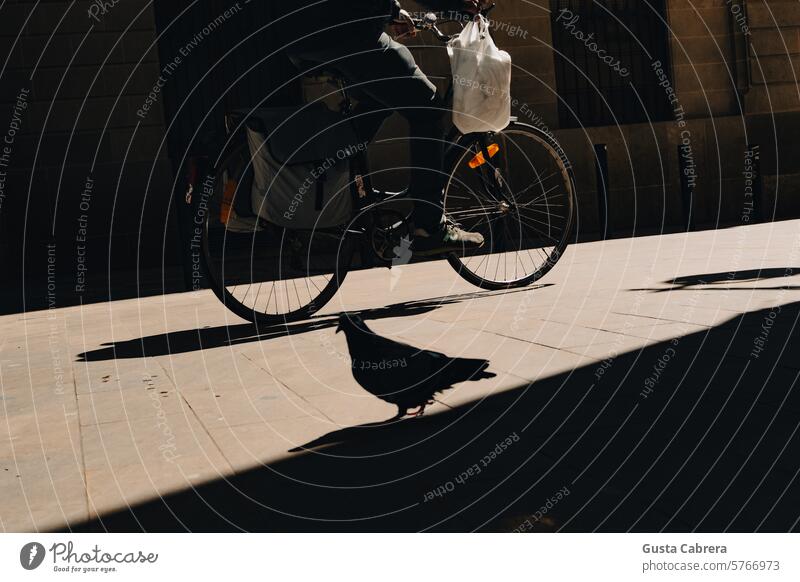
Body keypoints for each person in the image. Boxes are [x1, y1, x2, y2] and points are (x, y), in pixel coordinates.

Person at [276, 0, 493, 256]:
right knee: (429, 109)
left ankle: (325, 176)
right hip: (347, 35)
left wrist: (391, 11)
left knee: (380, 98)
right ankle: (429, 224)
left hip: (303, 37)